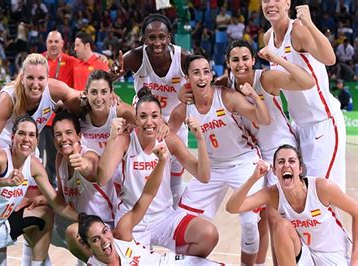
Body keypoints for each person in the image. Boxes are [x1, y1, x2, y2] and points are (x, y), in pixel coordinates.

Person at [168, 54, 270, 265]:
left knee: (250, 221)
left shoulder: (226, 97)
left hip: (243, 161)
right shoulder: (183, 109)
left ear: (212, 74)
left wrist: (254, 96)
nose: (202, 76)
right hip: (211, 167)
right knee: (182, 221)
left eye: (206, 71)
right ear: (188, 78)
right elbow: (165, 135)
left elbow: (260, 118)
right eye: (196, 72)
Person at [223, 39, 315, 265]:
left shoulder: (265, 78)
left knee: (276, 220)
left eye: (246, 58)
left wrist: (276, 59)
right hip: (256, 156)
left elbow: (307, 82)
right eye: (235, 59)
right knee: (261, 219)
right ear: (228, 63)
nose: (241, 64)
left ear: (253, 60)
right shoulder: (226, 86)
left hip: (281, 151)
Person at [98, 88, 218, 259]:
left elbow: (204, 176)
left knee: (208, 233)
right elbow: (102, 178)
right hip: (132, 218)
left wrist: (200, 139)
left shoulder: (168, 140)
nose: (149, 122)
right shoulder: (125, 140)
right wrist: (111, 139)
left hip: (164, 216)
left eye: (154, 116)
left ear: (161, 118)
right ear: (136, 119)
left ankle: (174, 262)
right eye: (143, 116)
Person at [0, 115, 78, 265]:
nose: (26, 139)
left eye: (31, 135)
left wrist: (83, 218)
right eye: (21, 133)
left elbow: (58, 205)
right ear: (12, 137)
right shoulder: (1, 157)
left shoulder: (34, 165)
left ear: (36, 141)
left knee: (45, 213)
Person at [80, 144, 220, 265]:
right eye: (95, 239)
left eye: (104, 231)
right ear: (88, 246)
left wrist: (162, 162)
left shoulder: (121, 233)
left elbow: (148, 194)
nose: (105, 240)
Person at [263, 3, 346, 191]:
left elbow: (330, 59)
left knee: (324, 194)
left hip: (322, 122)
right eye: (265, 0)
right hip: (298, 126)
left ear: (287, 3)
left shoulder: (298, 31)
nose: (270, 4)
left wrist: (309, 23)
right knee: (303, 194)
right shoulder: (268, 37)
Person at [226, 144, 357, 265]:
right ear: (274, 170)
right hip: (307, 256)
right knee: (281, 226)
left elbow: (356, 211)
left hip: (335, 255)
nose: (286, 165)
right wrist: (253, 178)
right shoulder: (272, 194)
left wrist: (355, 259)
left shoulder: (322, 187)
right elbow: (232, 208)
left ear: (300, 169)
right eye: (281, 161)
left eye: (292, 161)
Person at [111, 13, 191, 207]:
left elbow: (201, 87)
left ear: (169, 38)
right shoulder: (135, 57)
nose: (157, 42)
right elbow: (103, 80)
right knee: (138, 178)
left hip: (174, 125)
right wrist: (111, 83)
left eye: (161, 37)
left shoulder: (183, 58)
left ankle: (171, 224)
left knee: (174, 183)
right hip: (144, 125)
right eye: (151, 37)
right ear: (144, 39)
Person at [51, 109, 118, 262]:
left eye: (69, 133)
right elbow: (61, 197)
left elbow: (91, 166)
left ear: (79, 136)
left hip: (104, 228)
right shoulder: (60, 158)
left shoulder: (89, 155)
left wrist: (82, 164)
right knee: (39, 217)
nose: (64, 138)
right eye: (58, 135)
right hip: (81, 222)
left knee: (73, 232)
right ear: (54, 140)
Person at [40, 30, 80, 187]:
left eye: (56, 41)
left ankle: (54, 184)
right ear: (46, 43)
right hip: (39, 116)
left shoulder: (70, 61)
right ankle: (35, 186)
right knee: (33, 153)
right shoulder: (39, 60)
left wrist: (100, 57)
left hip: (57, 119)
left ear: (62, 44)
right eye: (50, 41)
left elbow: (87, 61)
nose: (53, 45)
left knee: (54, 155)